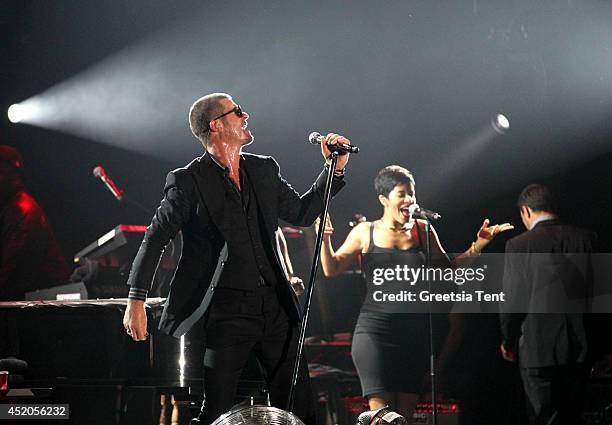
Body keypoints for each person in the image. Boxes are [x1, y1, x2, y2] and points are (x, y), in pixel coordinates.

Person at [122, 93, 350, 424]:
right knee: (218, 409)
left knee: (298, 406)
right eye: (237, 112)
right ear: (216, 125)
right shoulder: (188, 182)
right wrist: (136, 300)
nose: (246, 116)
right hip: (226, 313)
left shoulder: (263, 169)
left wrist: (333, 169)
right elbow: (155, 239)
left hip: (276, 308)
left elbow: (302, 213)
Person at [318, 165, 512, 420]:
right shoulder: (366, 232)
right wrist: (324, 239)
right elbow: (331, 268)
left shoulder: (423, 229)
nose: (409, 200)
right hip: (375, 334)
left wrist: (479, 245)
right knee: (382, 418)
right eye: (402, 194)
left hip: (413, 337)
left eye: (412, 193)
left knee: (405, 417)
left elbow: (449, 270)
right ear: (384, 199)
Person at [500, 184, 595, 425]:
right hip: (579, 349)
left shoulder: (519, 245)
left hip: (537, 350)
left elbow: (512, 300)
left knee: (543, 418)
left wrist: (508, 340)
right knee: (574, 418)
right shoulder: (586, 239)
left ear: (526, 211)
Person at [0, 145, 70, 301]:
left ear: (7, 172)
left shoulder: (23, 210)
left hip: (43, 312)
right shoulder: (11, 209)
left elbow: (13, 273)